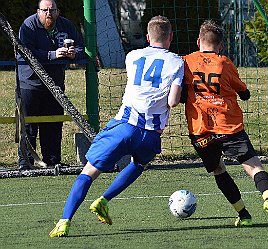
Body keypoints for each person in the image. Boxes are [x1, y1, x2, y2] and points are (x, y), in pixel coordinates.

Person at [49, 15, 184, 237]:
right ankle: (104, 200)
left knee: (89, 171)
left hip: (124, 126)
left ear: (148, 36)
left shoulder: (132, 56)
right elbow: (173, 101)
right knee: (140, 163)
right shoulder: (178, 62)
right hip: (150, 134)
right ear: (170, 36)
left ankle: (65, 220)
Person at [181, 20, 268, 234]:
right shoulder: (225, 63)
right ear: (220, 45)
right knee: (254, 167)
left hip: (200, 130)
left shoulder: (185, 62)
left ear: (198, 41)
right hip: (228, 126)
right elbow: (245, 93)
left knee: (218, 170)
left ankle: (244, 215)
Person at [17, 0, 85, 170]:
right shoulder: (28, 26)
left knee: (53, 124)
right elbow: (26, 52)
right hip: (29, 83)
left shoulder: (66, 25)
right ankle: (25, 164)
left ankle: (53, 162)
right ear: (38, 11)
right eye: (45, 10)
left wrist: (73, 54)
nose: (49, 13)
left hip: (55, 84)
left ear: (58, 11)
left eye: (52, 10)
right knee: (28, 126)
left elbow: (81, 47)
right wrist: (53, 54)